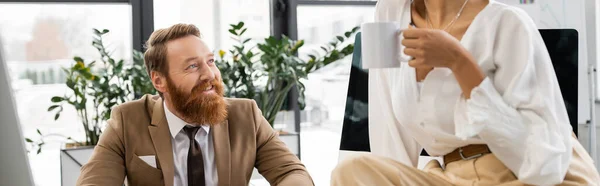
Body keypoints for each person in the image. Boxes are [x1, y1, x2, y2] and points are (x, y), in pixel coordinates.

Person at [331, 0, 600, 185]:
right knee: (353, 173)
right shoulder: (391, 12)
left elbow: (546, 165)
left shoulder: (507, 22)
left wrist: (460, 62)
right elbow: (389, 140)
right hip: (452, 177)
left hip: (528, 175)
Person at [76, 23, 314, 186]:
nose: (209, 74)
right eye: (192, 66)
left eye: (210, 61)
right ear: (159, 80)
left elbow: (291, 172)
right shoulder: (127, 120)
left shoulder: (246, 114)